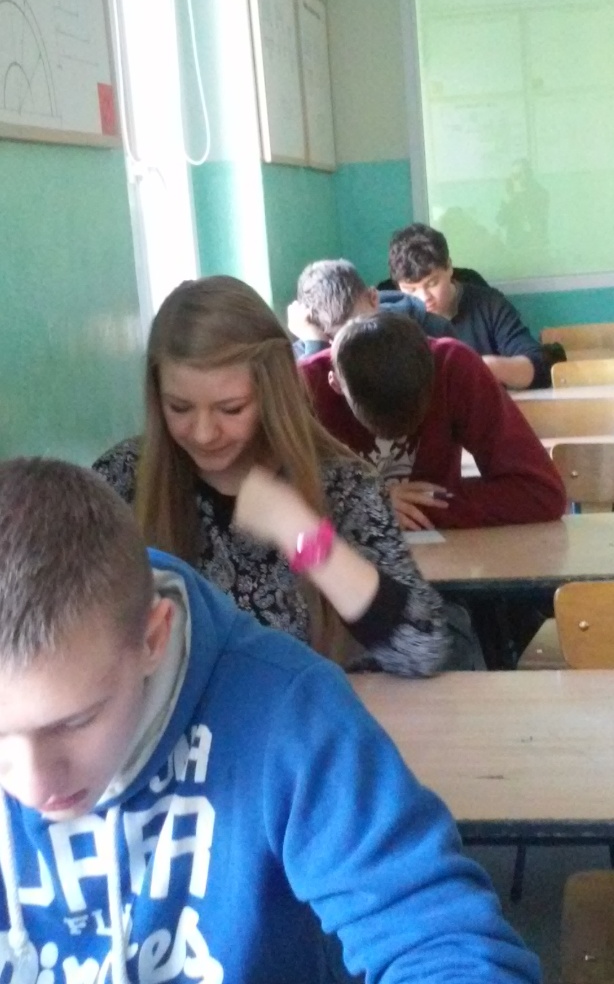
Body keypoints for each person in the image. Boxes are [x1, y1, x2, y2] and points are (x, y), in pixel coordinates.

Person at [0, 457, 541, 984]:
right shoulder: (127, 468)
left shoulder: (292, 715)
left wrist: (301, 532)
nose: (33, 786)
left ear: (152, 638)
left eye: (76, 721)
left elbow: (438, 939)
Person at [94, 275, 480, 676]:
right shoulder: (122, 480)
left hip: (309, 712)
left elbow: (422, 647)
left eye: (231, 409)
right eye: (179, 408)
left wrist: (301, 533)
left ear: (270, 393)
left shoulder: (343, 484)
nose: (204, 433)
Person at [299, 309, 566, 532]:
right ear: (335, 384)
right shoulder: (303, 386)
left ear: (433, 368)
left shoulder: (453, 365)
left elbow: (541, 492)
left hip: (439, 553)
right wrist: (361, 504)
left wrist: (420, 508)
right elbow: (277, 509)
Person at [387, 223, 554, 389]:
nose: (424, 298)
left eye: (432, 283)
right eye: (410, 290)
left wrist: (487, 366)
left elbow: (538, 366)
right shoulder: (393, 319)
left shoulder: (489, 304)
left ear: (449, 267)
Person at [288, 258, 455, 358]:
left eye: (362, 329)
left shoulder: (434, 330)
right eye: (337, 340)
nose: (356, 347)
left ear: (373, 298)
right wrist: (316, 345)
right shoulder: (305, 353)